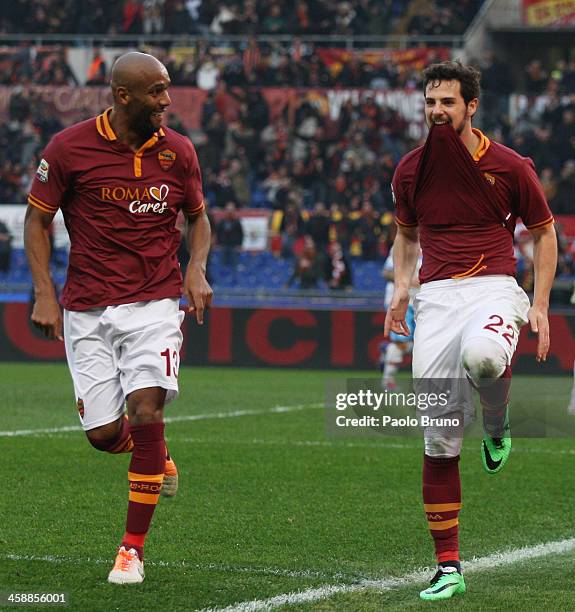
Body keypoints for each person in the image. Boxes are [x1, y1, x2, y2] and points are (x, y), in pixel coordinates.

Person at [24, 52, 212, 585]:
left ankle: (131, 550)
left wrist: (196, 269)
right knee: (106, 434)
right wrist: (42, 292)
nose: (167, 101)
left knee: (146, 409)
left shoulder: (178, 152)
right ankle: (157, 456)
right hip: (86, 306)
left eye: (167, 89)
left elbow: (199, 223)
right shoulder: (68, 148)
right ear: (123, 95)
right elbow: (36, 223)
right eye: (156, 92)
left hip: (155, 302)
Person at [384, 61, 557, 601]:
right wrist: (401, 289)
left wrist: (542, 304)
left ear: (471, 106)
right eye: (431, 102)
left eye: (448, 103)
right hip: (435, 300)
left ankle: (499, 422)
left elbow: (545, 234)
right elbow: (407, 237)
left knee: (484, 357)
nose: (438, 111)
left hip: (493, 287)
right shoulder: (410, 170)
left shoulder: (509, 166)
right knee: (438, 440)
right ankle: (449, 566)